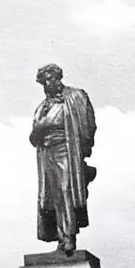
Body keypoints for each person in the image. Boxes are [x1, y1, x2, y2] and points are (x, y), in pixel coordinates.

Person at [29, 63, 97, 256]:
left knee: (66, 190)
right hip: (47, 152)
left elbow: (88, 123)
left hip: (66, 149)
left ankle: (68, 238)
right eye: (43, 82)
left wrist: (83, 150)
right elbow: (34, 136)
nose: (46, 85)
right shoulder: (42, 107)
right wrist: (39, 130)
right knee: (52, 197)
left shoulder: (76, 96)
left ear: (58, 78)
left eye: (49, 80)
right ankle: (61, 237)